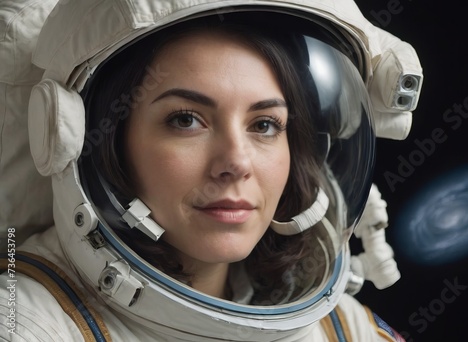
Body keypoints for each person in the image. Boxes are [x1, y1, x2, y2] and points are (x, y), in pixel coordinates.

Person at [0, 0, 422, 341]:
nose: (236, 163)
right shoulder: (27, 325)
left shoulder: (348, 330)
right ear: (101, 140)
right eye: (186, 120)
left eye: (264, 125)